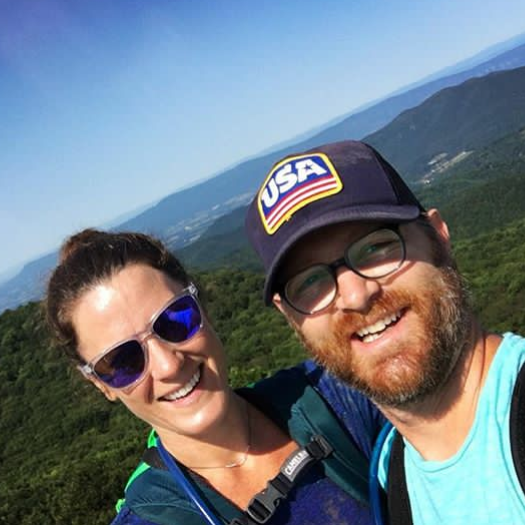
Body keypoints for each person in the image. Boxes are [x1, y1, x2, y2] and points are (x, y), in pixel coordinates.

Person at [244, 139, 525, 524]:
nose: (356, 295)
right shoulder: (389, 476)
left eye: (376, 247)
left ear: (438, 235)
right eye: (310, 282)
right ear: (291, 316)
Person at [44, 228, 385, 525]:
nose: (168, 365)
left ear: (203, 308)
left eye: (175, 320)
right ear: (101, 385)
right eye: (123, 360)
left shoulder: (337, 397)